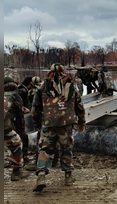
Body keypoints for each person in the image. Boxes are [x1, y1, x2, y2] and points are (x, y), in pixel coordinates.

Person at [32, 63, 86, 192]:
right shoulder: (71, 85)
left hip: (48, 124)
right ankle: (68, 176)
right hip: (66, 124)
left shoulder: (42, 87)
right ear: (63, 71)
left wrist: (36, 124)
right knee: (66, 148)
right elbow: (79, 106)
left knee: (45, 150)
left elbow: (35, 108)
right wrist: (81, 121)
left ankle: (41, 176)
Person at [4, 77, 30, 181]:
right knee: (16, 143)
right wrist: (22, 132)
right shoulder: (14, 96)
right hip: (4, 128)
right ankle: (16, 172)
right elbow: (20, 117)